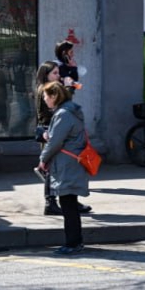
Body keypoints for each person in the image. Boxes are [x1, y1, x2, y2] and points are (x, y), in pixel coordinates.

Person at [36, 81, 89, 255]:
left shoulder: (63, 114)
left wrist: (43, 158)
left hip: (66, 164)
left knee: (68, 205)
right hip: (71, 162)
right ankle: (76, 241)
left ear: (54, 96)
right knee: (70, 203)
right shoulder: (70, 111)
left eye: (45, 96)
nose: (44, 100)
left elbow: (56, 141)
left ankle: (72, 243)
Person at [35, 61, 92, 216]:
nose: (58, 76)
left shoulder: (56, 93)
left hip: (59, 132)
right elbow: (47, 113)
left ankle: (69, 200)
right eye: (54, 73)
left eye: (58, 72)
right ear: (45, 74)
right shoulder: (45, 91)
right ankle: (51, 201)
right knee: (50, 168)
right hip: (51, 132)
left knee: (57, 169)